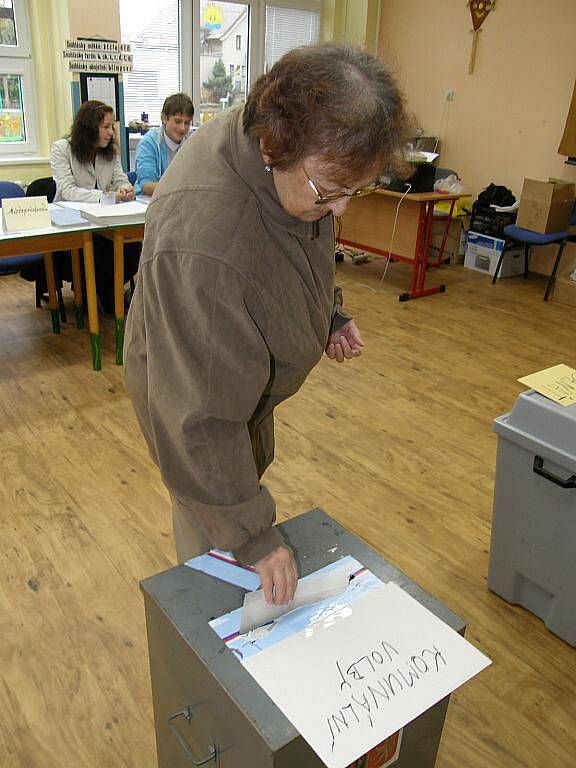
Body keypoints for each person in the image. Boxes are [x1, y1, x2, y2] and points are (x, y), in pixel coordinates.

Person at [124, 43, 410, 605]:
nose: (343, 210)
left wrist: (327, 313)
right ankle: (212, 654)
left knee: (233, 507)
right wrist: (252, 535)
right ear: (274, 146)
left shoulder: (285, 153)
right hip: (192, 405)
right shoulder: (207, 245)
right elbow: (199, 420)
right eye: (331, 191)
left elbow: (293, 250)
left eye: (356, 191)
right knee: (217, 553)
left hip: (223, 382)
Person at [51, 100, 140, 314]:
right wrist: (107, 196)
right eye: (106, 127)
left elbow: (120, 179)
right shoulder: (62, 149)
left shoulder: (109, 152)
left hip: (104, 222)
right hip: (74, 223)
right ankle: (108, 298)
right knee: (99, 250)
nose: (111, 133)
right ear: (90, 127)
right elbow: (67, 191)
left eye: (112, 127)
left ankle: (110, 293)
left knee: (134, 247)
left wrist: (126, 190)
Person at [134, 93, 194, 196]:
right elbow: (147, 186)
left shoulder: (193, 142)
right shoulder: (149, 143)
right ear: (164, 118)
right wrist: (183, 188)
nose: (183, 128)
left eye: (187, 123)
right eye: (178, 121)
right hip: (152, 202)